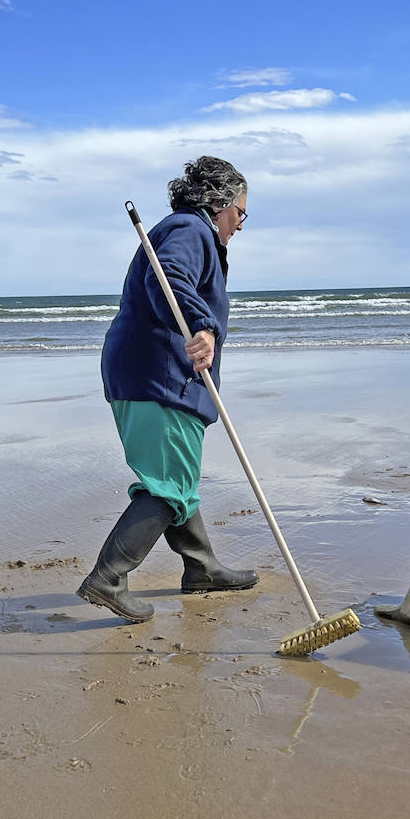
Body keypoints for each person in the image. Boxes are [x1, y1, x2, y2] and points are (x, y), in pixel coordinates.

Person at [77, 155, 258, 622]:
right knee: (168, 486)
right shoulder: (189, 230)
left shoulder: (187, 230)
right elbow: (169, 278)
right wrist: (202, 325)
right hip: (159, 374)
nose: (240, 223)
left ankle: (201, 568)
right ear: (218, 204)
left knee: (179, 479)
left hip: (145, 371)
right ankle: (109, 577)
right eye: (240, 211)